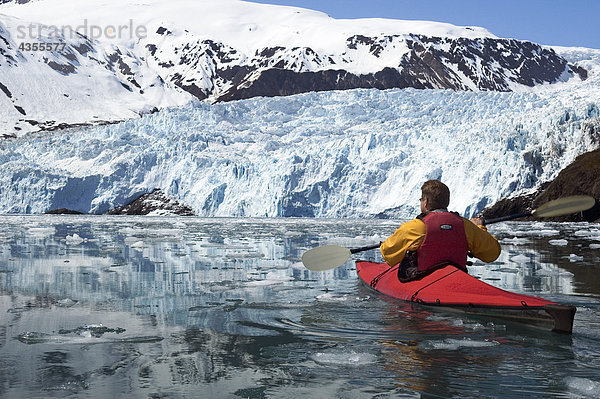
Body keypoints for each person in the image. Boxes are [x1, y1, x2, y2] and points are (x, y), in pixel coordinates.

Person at [380, 180, 501, 282]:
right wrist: (479, 228)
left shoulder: (416, 227)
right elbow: (492, 253)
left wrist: (385, 245)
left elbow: (388, 255)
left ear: (426, 202)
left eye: (421, 199)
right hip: (456, 280)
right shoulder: (465, 225)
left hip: (422, 281)